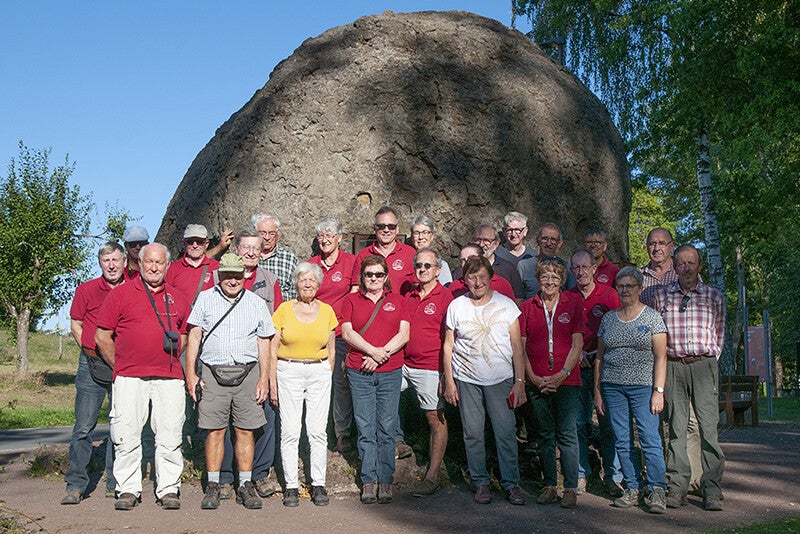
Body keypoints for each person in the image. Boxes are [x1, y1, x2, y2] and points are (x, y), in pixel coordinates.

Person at [95, 243, 190, 511]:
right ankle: (127, 488)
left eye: (159, 263)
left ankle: (169, 488)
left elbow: (185, 333)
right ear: (140, 263)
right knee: (126, 433)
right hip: (130, 377)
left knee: (170, 434)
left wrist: (173, 354)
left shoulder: (178, 297)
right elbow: (102, 336)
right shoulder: (121, 294)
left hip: (169, 377)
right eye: (149, 262)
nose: (154, 267)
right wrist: (120, 364)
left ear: (167, 266)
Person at [185, 253, 274, 510]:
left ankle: (245, 484)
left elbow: (264, 341)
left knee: (245, 430)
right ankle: (213, 485)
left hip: (248, 373)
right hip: (212, 373)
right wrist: (191, 374)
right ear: (219, 275)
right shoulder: (205, 298)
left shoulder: (256, 302)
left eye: (237, 276)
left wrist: (264, 379)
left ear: (244, 275)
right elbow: (194, 335)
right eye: (227, 276)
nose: (232, 281)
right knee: (215, 430)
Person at [443, 256, 527, 506]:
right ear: (465, 280)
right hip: (466, 378)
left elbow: (517, 346)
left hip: (500, 378)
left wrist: (520, 380)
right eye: (472, 277)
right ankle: (480, 482)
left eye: (482, 277)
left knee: (505, 432)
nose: (477, 282)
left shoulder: (506, 305)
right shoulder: (456, 306)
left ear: (491, 278)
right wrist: (449, 381)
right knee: (472, 433)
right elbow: (448, 346)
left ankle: (511, 483)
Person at [652, 245, 726, 511]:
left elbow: (720, 332)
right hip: (674, 366)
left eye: (691, 263)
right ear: (675, 267)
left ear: (699, 266)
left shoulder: (713, 295)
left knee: (708, 428)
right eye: (682, 263)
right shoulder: (662, 297)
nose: (687, 268)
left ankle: (712, 489)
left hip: (704, 365)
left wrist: (709, 360)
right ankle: (677, 487)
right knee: (677, 429)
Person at [594, 266, 668, 514]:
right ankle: (632, 486)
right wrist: (597, 391)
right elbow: (600, 358)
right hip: (612, 387)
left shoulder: (652, 318)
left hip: (643, 387)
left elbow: (661, 357)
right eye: (621, 286)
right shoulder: (608, 319)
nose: (625, 290)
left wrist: (658, 390)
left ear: (639, 288)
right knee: (622, 438)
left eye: (630, 286)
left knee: (649, 438)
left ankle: (657, 488)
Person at [217, 230, 283, 500]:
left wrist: (270, 371)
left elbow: (276, 326)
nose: (252, 252)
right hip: (226, 363)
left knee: (266, 417)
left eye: (256, 248)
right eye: (246, 247)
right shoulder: (221, 278)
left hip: (259, 360)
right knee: (224, 420)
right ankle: (225, 476)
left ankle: (260, 473)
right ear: (237, 249)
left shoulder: (270, 281)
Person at [61, 242, 126, 505]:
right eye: (106, 261)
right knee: (83, 427)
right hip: (91, 364)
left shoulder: (134, 288)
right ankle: (76, 484)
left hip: (123, 364)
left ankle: (115, 482)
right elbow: (76, 323)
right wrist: (87, 349)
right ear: (100, 264)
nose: (111, 265)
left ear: (124, 262)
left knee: (119, 426)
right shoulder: (86, 290)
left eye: (115, 260)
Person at [341, 255, 410, 505]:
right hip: (360, 371)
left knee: (387, 426)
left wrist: (381, 355)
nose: (373, 278)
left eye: (378, 274)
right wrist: (372, 351)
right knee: (365, 426)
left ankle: (386, 479)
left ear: (386, 276)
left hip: (390, 371)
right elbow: (347, 332)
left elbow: (404, 334)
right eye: (369, 274)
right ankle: (369, 479)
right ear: (362, 276)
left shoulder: (398, 300)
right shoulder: (351, 300)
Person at [269, 262, 338, 507]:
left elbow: (332, 349)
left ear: (318, 284)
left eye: (312, 280)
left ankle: (318, 483)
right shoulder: (284, 310)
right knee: (290, 430)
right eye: (302, 280)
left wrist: (326, 373)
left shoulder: (327, 311)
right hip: (289, 370)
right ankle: (291, 486)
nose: (307, 284)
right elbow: (273, 348)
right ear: (296, 283)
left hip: (319, 372)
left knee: (317, 431)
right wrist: (272, 381)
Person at [520, 257, 584, 508]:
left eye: (555, 277)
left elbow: (577, 344)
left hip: (566, 381)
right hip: (537, 381)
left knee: (567, 434)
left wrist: (562, 374)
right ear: (538, 279)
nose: (549, 281)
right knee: (544, 435)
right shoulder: (527, 307)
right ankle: (549, 485)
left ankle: (570, 488)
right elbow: (520, 347)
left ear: (561, 281)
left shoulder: (573, 303)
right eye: (545, 276)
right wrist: (532, 377)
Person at [567, 249, 623, 497]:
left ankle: (613, 475)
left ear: (593, 269)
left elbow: (619, 326)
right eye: (576, 268)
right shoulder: (567, 297)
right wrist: (576, 353)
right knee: (577, 423)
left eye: (585, 267)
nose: (581, 272)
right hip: (577, 366)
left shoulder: (609, 295)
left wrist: (599, 354)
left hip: (605, 366)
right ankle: (581, 473)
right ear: (572, 271)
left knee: (608, 422)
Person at [402, 247, 453, 497]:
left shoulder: (446, 298)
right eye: (419, 265)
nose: (422, 270)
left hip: (431, 366)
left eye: (427, 266)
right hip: (403, 364)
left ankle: (433, 475)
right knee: (382, 401)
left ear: (438, 270)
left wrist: (445, 374)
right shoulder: (408, 295)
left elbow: (450, 339)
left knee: (435, 418)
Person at [308, 218, 357, 453]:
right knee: (315, 384)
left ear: (339, 238)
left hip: (338, 333)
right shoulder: (311, 264)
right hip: (314, 335)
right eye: (321, 236)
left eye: (329, 235)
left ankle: (341, 433)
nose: (325, 240)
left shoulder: (351, 262)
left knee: (340, 383)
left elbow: (354, 294)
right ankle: (314, 433)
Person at [351, 206, 416, 294]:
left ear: (397, 229)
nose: (386, 230)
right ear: (374, 228)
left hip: (402, 303)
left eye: (391, 226)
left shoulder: (410, 253)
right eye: (381, 226)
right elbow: (356, 288)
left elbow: (416, 286)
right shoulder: (364, 255)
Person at [467, 224, 525, 302]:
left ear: (496, 244)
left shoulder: (508, 269)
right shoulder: (463, 270)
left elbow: (519, 299)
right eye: (477, 240)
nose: (481, 244)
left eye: (487, 240)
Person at [517, 223, 576, 298]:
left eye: (553, 240)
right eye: (544, 239)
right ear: (538, 241)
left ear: (559, 244)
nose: (548, 243)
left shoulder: (566, 266)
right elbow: (518, 297)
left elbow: (572, 295)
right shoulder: (524, 266)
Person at [165, 224, 219, 306]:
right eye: (190, 242)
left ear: (206, 244)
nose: (195, 245)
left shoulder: (216, 267)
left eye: (199, 242)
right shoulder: (172, 269)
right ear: (184, 243)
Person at [253, 212, 299, 300]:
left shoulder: (289, 260)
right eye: (262, 233)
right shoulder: (247, 257)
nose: (267, 237)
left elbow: (295, 295)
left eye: (271, 233)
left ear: (277, 235)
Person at [448, 244, 515, 301]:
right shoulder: (455, 287)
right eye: (463, 260)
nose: (466, 263)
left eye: (471, 258)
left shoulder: (501, 284)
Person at [410, 215, 452, 285]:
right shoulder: (406, 261)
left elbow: (446, 288)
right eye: (416, 233)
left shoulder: (442, 265)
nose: (421, 237)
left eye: (425, 232)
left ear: (432, 236)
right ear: (412, 237)